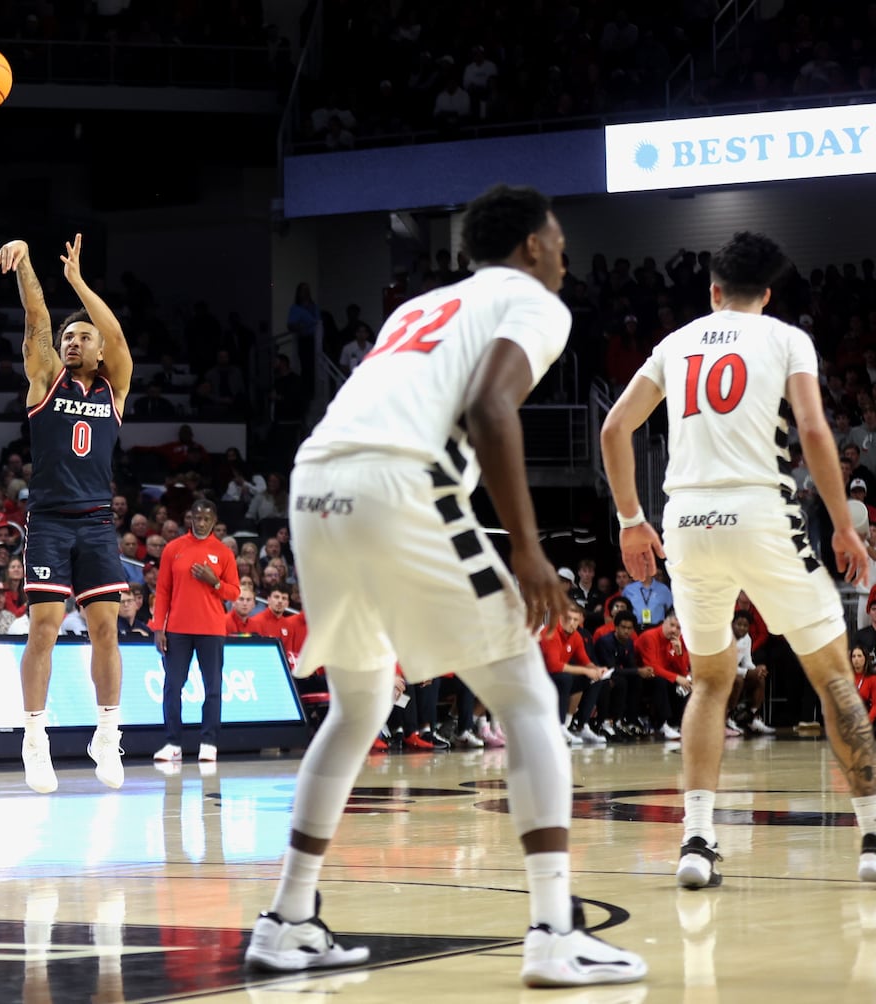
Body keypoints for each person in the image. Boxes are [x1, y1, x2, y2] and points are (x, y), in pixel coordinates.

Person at [245, 185, 646, 987]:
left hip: (316, 480)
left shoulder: (417, 307)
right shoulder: (531, 299)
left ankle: (288, 919)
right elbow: (491, 408)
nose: (565, 254)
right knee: (528, 693)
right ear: (532, 244)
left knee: (361, 705)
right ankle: (553, 930)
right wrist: (527, 552)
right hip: (400, 481)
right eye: (559, 238)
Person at [601, 229, 876, 889]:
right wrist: (843, 523)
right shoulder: (786, 338)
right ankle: (872, 837)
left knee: (711, 681)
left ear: (714, 290)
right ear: (769, 293)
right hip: (759, 512)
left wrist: (630, 521)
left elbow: (615, 428)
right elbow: (813, 429)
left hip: (687, 520)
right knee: (834, 677)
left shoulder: (676, 342)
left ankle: (697, 842)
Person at [0, 232, 134, 794]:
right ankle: (34, 737)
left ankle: (106, 733)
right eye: (69, 337)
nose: (72, 342)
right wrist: (26, 262)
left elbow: (116, 335)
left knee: (106, 632)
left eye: (82, 337)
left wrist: (78, 282)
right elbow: (35, 320)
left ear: (98, 352)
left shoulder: (114, 388)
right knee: (43, 630)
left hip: (96, 523)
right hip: (48, 521)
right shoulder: (46, 380)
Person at [148, 499, 239, 764]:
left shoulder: (223, 553)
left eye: (206, 519)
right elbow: (163, 590)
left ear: (214, 521)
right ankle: (173, 742)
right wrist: (158, 627)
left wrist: (215, 582)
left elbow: (234, 591)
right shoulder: (173, 549)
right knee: (172, 686)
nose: (200, 522)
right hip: (177, 629)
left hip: (211, 628)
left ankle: (209, 742)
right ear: (190, 518)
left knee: (213, 688)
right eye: (196, 518)